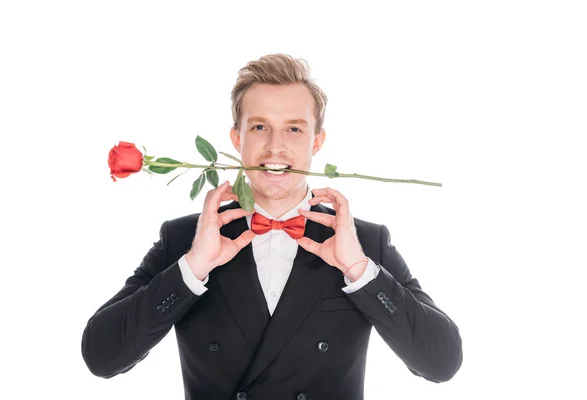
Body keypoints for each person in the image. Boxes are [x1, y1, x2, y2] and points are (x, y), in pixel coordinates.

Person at [82, 53, 463, 400]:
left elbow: (442, 363)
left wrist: (360, 272)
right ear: (237, 139)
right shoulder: (185, 239)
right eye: (260, 127)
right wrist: (191, 270)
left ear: (317, 141)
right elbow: (101, 356)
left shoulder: (362, 243)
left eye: (294, 129)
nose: (275, 147)